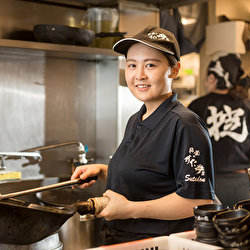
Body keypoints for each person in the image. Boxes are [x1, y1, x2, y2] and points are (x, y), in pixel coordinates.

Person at [71, 26, 215, 245]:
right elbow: (152, 178)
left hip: (157, 243)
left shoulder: (185, 125)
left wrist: (130, 210)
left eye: (150, 65)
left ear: (174, 70)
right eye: (132, 65)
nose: (139, 75)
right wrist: (102, 171)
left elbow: (197, 199)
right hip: (121, 239)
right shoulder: (136, 119)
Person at [188, 53, 250, 208]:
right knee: (244, 230)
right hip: (240, 183)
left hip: (208, 183)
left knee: (208, 230)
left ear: (212, 78)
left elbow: (188, 148)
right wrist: (237, 156)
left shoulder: (196, 106)